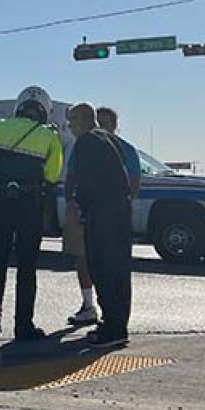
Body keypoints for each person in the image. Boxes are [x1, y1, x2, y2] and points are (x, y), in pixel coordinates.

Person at [0, 85, 64, 341]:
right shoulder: (48, 136)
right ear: (43, 111)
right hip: (29, 206)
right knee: (26, 268)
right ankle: (23, 326)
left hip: (0, 204)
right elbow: (53, 174)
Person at [64, 103, 134, 348]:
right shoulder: (110, 140)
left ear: (83, 119)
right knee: (119, 270)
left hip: (102, 214)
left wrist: (80, 207)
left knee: (102, 268)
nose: (69, 126)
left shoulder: (86, 143)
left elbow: (85, 180)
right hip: (121, 212)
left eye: (71, 120)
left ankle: (112, 328)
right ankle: (118, 324)